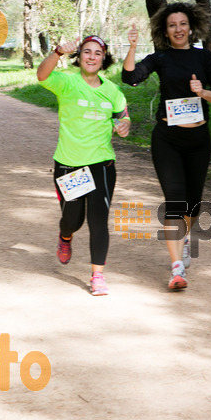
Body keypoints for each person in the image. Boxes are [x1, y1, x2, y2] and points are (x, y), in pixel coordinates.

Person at [122, 3, 211, 291]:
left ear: (190, 27)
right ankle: (177, 267)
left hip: (198, 140)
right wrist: (132, 47)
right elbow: (131, 77)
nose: (178, 29)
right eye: (172, 25)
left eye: (182, 24)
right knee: (175, 200)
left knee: (193, 203)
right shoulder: (160, 58)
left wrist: (202, 92)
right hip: (167, 138)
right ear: (164, 31)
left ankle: (184, 242)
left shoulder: (204, 57)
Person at [37, 35, 131, 295]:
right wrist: (57, 52)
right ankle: (65, 236)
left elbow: (122, 116)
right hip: (69, 165)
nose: (92, 56)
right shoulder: (67, 82)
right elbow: (42, 75)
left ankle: (97, 275)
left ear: (104, 59)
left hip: (101, 163)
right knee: (72, 219)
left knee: (98, 221)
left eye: (97, 53)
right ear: (79, 57)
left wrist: (124, 125)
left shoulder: (112, 91)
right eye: (87, 52)